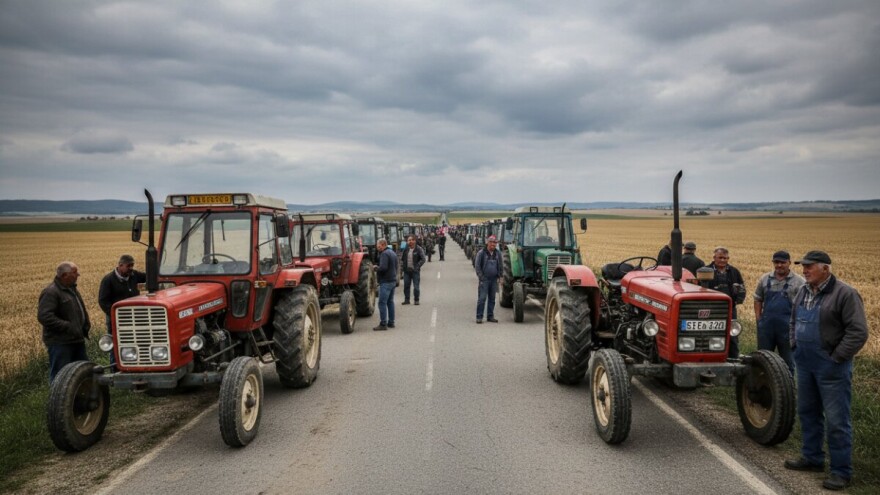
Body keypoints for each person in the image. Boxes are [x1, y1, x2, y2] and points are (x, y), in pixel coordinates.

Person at [784, 251, 868, 491]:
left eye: (809, 266)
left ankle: (841, 471)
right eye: (804, 266)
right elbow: (793, 321)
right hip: (805, 363)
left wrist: (837, 357)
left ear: (825, 269)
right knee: (807, 412)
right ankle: (812, 458)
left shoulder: (845, 294)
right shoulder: (803, 291)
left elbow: (858, 332)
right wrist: (794, 345)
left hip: (831, 366)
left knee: (836, 420)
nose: (804, 270)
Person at [38, 261, 91, 383]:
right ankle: (58, 396)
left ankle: (81, 395)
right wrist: (68, 326)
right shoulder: (51, 292)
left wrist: (85, 325)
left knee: (83, 372)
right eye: (74, 272)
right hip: (60, 342)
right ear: (64, 275)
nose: (78, 275)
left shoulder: (71, 289)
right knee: (60, 375)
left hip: (76, 339)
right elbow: (44, 316)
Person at [753, 251, 804, 374]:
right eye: (776, 262)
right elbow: (758, 299)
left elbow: (803, 306)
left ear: (789, 263)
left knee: (788, 362)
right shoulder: (765, 279)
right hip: (766, 328)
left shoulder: (799, 282)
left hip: (787, 328)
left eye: (783, 262)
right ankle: (763, 384)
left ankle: (788, 384)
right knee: (763, 360)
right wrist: (759, 319)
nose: (779, 265)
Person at [98, 254, 146, 368]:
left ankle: (135, 366)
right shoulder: (108, 280)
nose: (131, 268)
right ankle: (115, 368)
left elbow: (150, 276)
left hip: (134, 318)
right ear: (120, 265)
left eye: (132, 265)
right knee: (116, 344)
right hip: (116, 319)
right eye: (128, 266)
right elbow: (103, 301)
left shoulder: (134, 275)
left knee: (135, 341)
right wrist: (115, 314)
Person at [707, 246, 745, 358]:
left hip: (729, 308)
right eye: (720, 257)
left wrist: (737, 301)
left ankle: (733, 358)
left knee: (732, 334)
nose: (723, 260)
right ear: (714, 257)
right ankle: (711, 357)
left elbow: (741, 288)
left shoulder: (734, 271)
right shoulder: (706, 270)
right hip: (711, 309)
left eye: (725, 258)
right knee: (711, 333)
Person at [474, 235, 502, 324]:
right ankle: (479, 317)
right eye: (492, 242)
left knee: (492, 299)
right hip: (484, 279)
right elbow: (477, 266)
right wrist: (481, 277)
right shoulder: (481, 253)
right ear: (488, 243)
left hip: (494, 280)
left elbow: (500, 266)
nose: (493, 244)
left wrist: (500, 276)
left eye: (495, 243)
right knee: (482, 298)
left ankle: (490, 316)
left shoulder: (498, 253)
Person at [373, 238, 398, 331]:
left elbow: (383, 268)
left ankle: (383, 323)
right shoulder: (392, 253)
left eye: (378, 245)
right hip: (392, 280)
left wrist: (376, 267)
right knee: (390, 302)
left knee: (382, 303)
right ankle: (391, 322)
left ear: (383, 245)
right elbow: (396, 266)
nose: (377, 247)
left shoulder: (384, 254)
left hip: (386, 281)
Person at [400, 236, 426, 305]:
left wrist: (417, 267)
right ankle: (407, 300)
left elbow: (423, 259)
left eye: (412, 240)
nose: (410, 241)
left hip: (415, 272)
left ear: (415, 241)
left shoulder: (419, 249)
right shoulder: (405, 249)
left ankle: (416, 300)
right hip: (406, 271)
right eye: (409, 240)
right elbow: (402, 259)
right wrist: (402, 269)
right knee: (406, 286)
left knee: (416, 287)